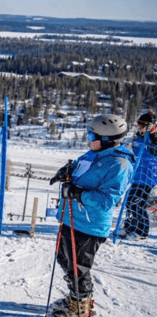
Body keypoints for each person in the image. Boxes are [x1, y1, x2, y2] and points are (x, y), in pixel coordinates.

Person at [48, 114, 134, 317]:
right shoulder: (93, 154)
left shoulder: (119, 165)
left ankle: (81, 307)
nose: (88, 139)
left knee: (78, 268)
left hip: (89, 225)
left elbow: (106, 200)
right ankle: (75, 296)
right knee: (64, 259)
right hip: (70, 218)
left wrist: (78, 193)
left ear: (106, 140)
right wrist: (66, 171)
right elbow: (78, 166)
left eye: (91, 135)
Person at [121, 110, 157, 239]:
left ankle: (142, 232)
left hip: (148, 178)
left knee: (137, 204)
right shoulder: (138, 138)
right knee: (129, 203)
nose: (140, 127)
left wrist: (153, 132)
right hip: (136, 177)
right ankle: (130, 227)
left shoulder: (153, 138)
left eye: (143, 125)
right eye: (139, 124)